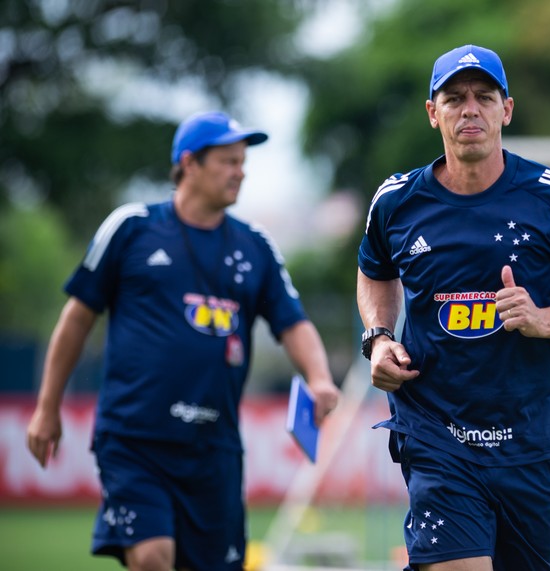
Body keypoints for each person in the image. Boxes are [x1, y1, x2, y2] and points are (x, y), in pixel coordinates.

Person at [26, 110, 340, 571]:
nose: (241, 171)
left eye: (243, 161)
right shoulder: (131, 228)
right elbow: (76, 319)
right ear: (189, 163)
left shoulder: (255, 246)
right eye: (228, 161)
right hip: (136, 440)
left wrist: (319, 377)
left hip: (214, 450)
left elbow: (292, 323)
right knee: (153, 558)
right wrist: (47, 406)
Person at [356, 45, 550, 570]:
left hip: (533, 440)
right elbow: (375, 272)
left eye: (484, 97)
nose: (470, 109)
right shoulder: (396, 200)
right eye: (454, 98)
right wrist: (380, 337)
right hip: (437, 435)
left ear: (506, 109)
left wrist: (543, 319)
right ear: (432, 112)